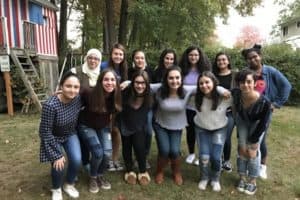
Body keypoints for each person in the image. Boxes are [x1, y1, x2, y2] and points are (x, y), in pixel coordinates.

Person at [241, 44, 291, 179]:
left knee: (259, 140)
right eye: (249, 58)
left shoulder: (270, 71)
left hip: (264, 112)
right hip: (248, 111)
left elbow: (286, 86)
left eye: (255, 57)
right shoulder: (246, 72)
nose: (252, 60)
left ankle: (262, 166)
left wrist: (276, 103)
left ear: (260, 56)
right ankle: (248, 165)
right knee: (246, 139)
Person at [77, 69, 122, 194]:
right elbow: (73, 93)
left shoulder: (115, 96)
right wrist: (61, 93)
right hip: (86, 126)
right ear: (100, 81)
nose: (109, 83)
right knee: (98, 152)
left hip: (103, 127)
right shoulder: (89, 93)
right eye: (106, 79)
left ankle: (99, 175)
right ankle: (93, 177)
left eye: (112, 80)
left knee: (107, 153)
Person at [39, 72, 82, 200]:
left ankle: (69, 184)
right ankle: (56, 188)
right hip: (52, 137)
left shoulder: (78, 99)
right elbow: (44, 131)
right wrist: (57, 154)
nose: (72, 90)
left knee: (76, 159)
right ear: (61, 86)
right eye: (68, 86)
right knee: (59, 164)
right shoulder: (50, 105)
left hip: (70, 134)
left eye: (76, 87)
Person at [152, 66, 196, 186]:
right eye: (171, 78)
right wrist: (127, 82)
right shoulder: (160, 89)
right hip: (160, 123)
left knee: (175, 151)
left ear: (181, 79)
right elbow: (142, 83)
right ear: (166, 79)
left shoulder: (187, 90)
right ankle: (160, 171)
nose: (174, 81)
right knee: (165, 150)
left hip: (177, 126)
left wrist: (223, 91)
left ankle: (176, 172)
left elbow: (209, 85)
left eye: (177, 78)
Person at [232, 69, 271, 195]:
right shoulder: (236, 93)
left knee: (252, 151)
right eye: (242, 82)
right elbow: (222, 92)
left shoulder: (264, 102)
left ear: (255, 83)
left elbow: (264, 123)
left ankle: (253, 181)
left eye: (249, 81)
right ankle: (242, 178)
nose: (245, 84)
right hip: (242, 121)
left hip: (258, 124)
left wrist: (254, 140)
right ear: (238, 84)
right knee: (242, 149)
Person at [194, 71, 231, 192]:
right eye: (201, 83)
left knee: (216, 157)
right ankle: (204, 178)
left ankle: (215, 179)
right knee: (204, 156)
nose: (204, 85)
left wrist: (220, 90)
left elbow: (238, 97)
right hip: (202, 128)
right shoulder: (195, 97)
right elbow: (183, 88)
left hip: (219, 129)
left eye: (207, 82)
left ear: (214, 82)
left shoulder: (224, 97)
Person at [70, 48, 102, 173]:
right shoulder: (76, 71)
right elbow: (65, 86)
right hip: (76, 112)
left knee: (92, 141)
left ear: (99, 61)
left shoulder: (102, 73)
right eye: (90, 57)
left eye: (96, 58)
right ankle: (84, 162)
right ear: (86, 58)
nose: (93, 60)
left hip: (96, 114)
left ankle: (90, 162)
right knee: (80, 140)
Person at [119, 70, 153, 185]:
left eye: (143, 83)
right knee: (127, 147)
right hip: (125, 124)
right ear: (132, 83)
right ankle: (129, 171)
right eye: (137, 82)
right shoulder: (126, 92)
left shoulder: (150, 95)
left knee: (140, 147)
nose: (140, 85)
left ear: (147, 84)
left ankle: (143, 171)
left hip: (139, 125)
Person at [179, 46, 212, 166]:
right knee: (190, 130)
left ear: (200, 56)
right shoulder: (182, 70)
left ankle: (201, 154)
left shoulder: (205, 70)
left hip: (202, 106)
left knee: (202, 131)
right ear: (187, 56)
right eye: (191, 55)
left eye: (196, 55)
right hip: (187, 106)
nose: (193, 57)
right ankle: (191, 153)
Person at [104, 43, 129, 172]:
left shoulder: (125, 69)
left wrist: (128, 82)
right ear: (111, 54)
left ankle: (115, 158)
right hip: (106, 105)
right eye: (116, 53)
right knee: (107, 130)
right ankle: (107, 159)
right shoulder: (103, 66)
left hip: (119, 105)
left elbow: (134, 80)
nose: (118, 56)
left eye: (121, 54)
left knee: (116, 131)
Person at [128, 49, 154, 169]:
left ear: (145, 59)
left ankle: (144, 156)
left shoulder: (150, 71)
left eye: (142, 58)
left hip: (147, 105)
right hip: (133, 106)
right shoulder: (129, 71)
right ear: (133, 59)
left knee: (148, 130)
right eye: (137, 58)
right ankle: (135, 155)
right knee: (135, 131)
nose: (140, 60)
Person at [212, 52, 236, 172]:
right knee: (216, 136)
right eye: (219, 60)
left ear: (228, 61)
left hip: (229, 112)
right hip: (215, 111)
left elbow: (238, 91)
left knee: (226, 137)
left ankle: (226, 160)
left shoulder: (234, 75)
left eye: (223, 59)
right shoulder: (213, 76)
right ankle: (218, 159)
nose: (221, 62)